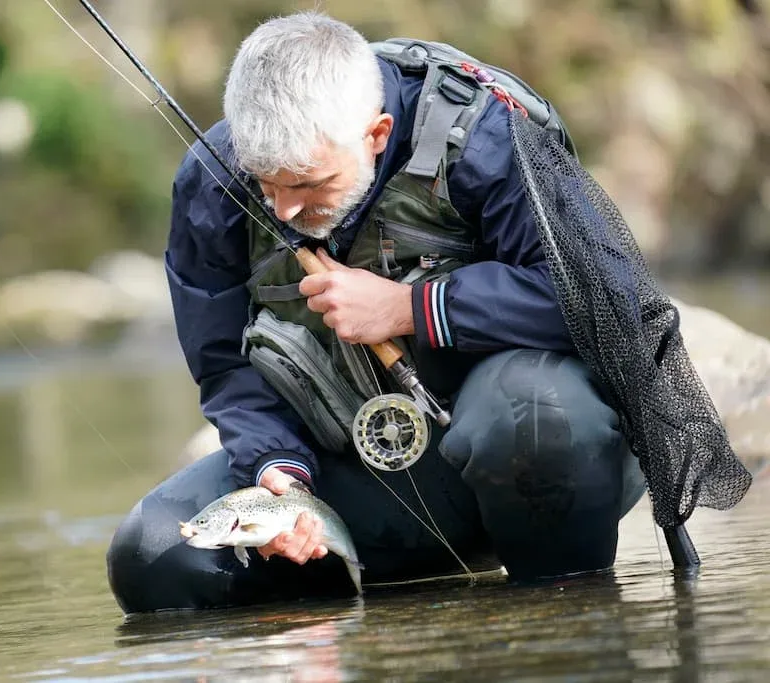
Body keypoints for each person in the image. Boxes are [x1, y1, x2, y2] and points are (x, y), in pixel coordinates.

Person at [106, 11, 648, 613]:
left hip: (543, 456)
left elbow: (611, 300)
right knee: (153, 556)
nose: (283, 211)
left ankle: (561, 607)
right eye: (266, 185)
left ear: (377, 133)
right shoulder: (211, 184)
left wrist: (412, 308)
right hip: (367, 480)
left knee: (535, 418)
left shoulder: (489, 136)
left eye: (310, 185)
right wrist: (276, 479)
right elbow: (225, 366)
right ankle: (341, 619)